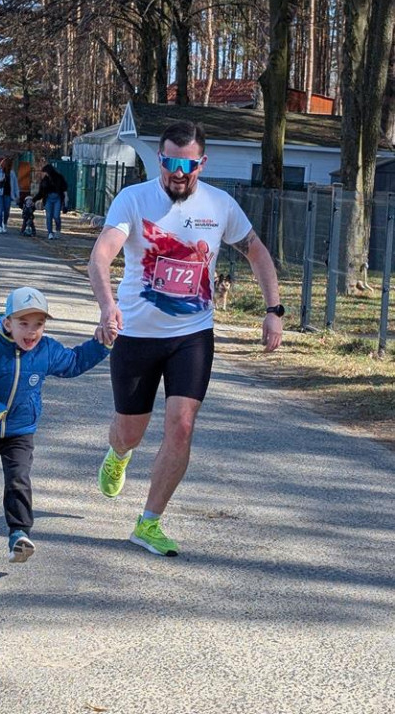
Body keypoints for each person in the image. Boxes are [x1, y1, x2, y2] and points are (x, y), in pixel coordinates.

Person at [88, 120, 283, 558]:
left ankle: (149, 522)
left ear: (201, 163)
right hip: (137, 334)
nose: (178, 172)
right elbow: (101, 254)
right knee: (129, 432)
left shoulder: (220, 204)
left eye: (187, 163)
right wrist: (106, 305)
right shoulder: (134, 200)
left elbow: (256, 250)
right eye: (170, 162)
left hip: (191, 336)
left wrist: (273, 310)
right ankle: (119, 455)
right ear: (160, 160)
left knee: (181, 426)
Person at [0, 286, 111, 563]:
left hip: (21, 431)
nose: (31, 332)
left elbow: (73, 362)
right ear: (7, 323)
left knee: (18, 479)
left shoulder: (46, 350)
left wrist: (103, 344)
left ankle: (19, 533)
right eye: (23, 324)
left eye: (38, 325)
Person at [32, 164, 68, 240]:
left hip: (57, 198)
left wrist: (65, 199)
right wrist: (33, 200)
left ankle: (58, 230)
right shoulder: (44, 180)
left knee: (56, 216)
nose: (43, 174)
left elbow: (64, 188)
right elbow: (41, 193)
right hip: (48, 198)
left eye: (44, 172)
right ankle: (50, 232)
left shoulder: (59, 177)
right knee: (49, 216)